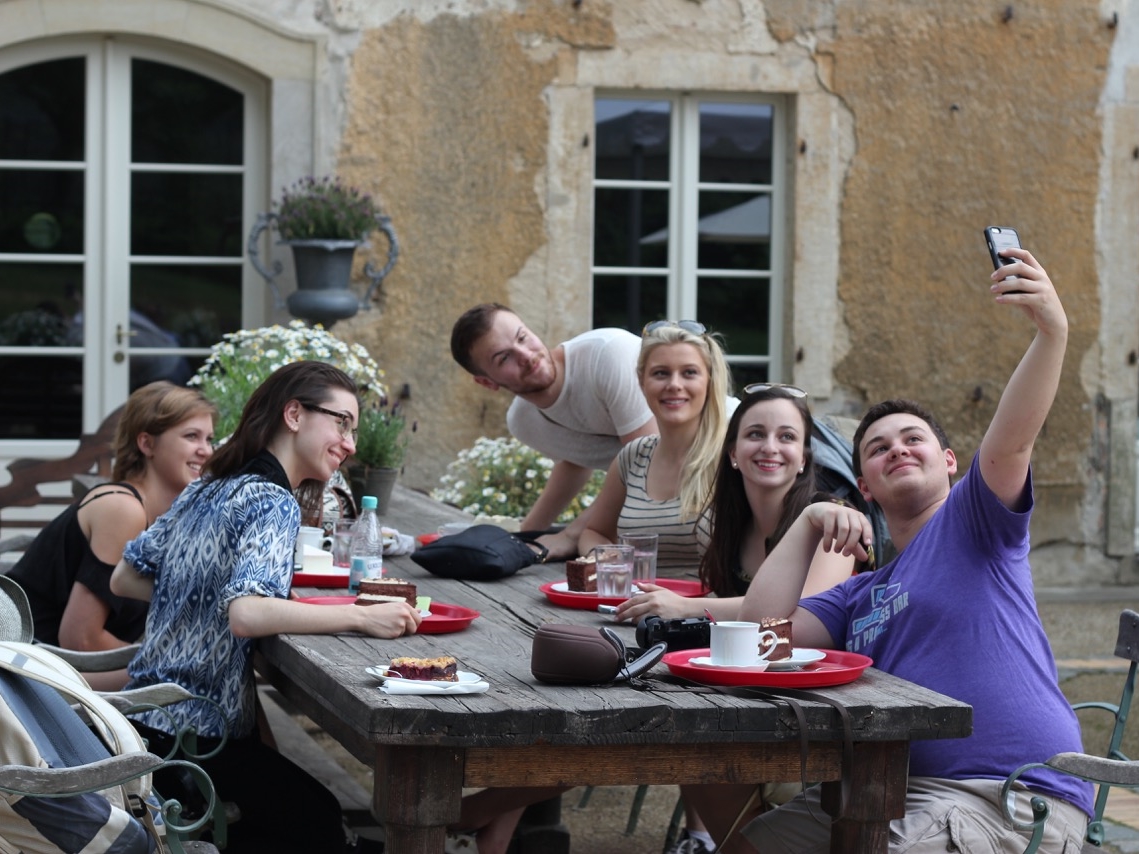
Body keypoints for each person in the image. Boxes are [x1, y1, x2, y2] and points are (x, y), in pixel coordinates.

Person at [684, 246, 1092, 853]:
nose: (897, 448)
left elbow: (1010, 445)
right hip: (891, 791)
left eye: (914, 439)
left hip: (1006, 796)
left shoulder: (975, 523)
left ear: (950, 463)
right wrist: (809, 522)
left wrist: (1051, 334)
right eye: (877, 447)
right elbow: (764, 636)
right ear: (866, 486)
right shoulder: (862, 592)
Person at [110, 361, 421, 853]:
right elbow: (248, 613)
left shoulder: (207, 486)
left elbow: (125, 577)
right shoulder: (273, 501)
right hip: (198, 741)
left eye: (354, 429)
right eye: (341, 422)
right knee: (324, 826)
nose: (352, 443)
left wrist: (209, 595)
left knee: (305, 816)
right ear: (294, 414)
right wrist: (362, 614)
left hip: (143, 726)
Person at [615, 383, 858, 854]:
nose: (770, 447)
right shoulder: (732, 523)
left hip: (819, 718)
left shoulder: (831, 521)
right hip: (751, 701)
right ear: (731, 453)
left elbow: (794, 635)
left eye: (787, 437)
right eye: (755, 434)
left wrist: (688, 608)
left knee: (696, 746)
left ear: (805, 456)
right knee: (677, 737)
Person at [8, 381, 216, 688]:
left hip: (54, 667)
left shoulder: (165, 517)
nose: (206, 450)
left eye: (210, 438)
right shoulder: (123, 508)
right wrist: (172, 660)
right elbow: (81, 639)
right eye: (191, 436)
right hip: (27, 675)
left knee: (211, 673)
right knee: (203, 678)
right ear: (147, 444)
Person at [450, 304, 657, 558]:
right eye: (504, 358)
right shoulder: (523, 422)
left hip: (715, 473)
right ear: (486, 382)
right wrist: (524, 536)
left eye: (522, 337)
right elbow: (576, 463)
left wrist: (570, 535)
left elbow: (646, 466)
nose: (525, 355)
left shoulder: (607, 354)